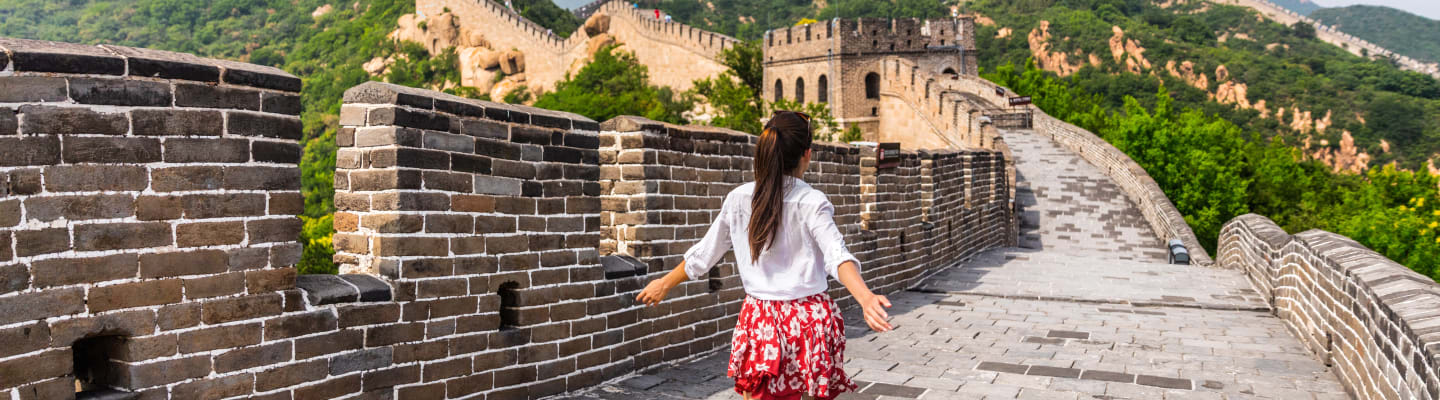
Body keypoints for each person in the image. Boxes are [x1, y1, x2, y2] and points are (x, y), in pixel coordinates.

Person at [637, 111, 893, 400]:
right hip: (809, 322)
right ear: (807, 154)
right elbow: (837, 254)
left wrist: (665, 284)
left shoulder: (739, 199)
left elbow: (705, 254)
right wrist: (865, 297)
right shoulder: (811, 202)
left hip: (761, 321)